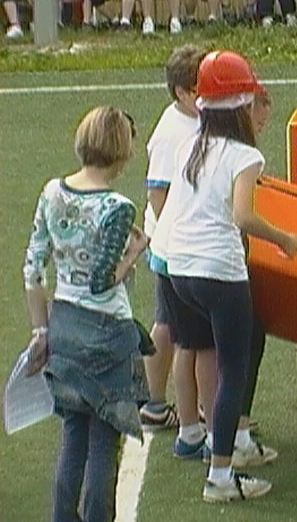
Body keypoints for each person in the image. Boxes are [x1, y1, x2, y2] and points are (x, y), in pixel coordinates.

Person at [150, 50, 297, 501]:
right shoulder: (244, 155)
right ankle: (221, 472)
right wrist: (284, 239)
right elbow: (242, 216)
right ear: (239, 105)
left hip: (180, 268)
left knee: (199, 350)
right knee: (232, 369)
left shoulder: (189, 145)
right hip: (219, 272)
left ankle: (206, 439)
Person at [23, 106, 149, 522]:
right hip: (107, 333)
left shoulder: (51, 192)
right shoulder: (117, 207)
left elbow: (33, 269)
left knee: (73, 434)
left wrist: (42, 331)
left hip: (64, 325)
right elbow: (103, 281)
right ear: (122, 152)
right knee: (104, 442)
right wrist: (133, 253)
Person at [140, 45, 206, 436]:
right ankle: (158, 402)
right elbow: (158, 194)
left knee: (168, 322)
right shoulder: (171, 133)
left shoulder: (193, 120)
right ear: (182, 92)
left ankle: (156, 402)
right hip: (174, 245)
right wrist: (179, 235)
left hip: (176, 242)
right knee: (173, 327)